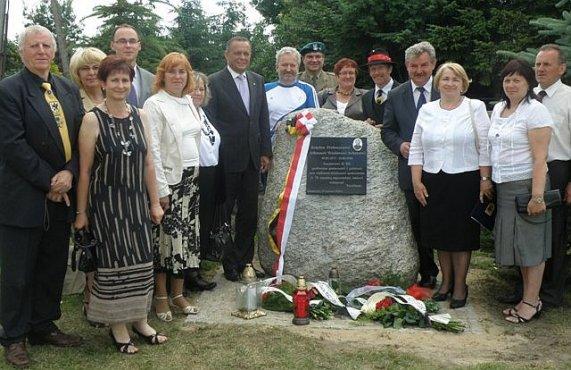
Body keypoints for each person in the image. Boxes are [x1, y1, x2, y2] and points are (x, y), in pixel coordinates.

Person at [0, 25, 83, 367]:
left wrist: (70, 173)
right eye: (34, 46)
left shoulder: (66, 87)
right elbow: (12, 145)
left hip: (62, 194)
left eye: (47, 45)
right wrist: (50, 181)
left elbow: (81, 138)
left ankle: (43, 325)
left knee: (51, 266)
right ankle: (14, 336)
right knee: (17, 272)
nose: (41, 51)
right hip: (24, 195)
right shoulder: (8, 90)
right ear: (22, 52)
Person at [74, 55, 167, 353]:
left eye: (125, 79)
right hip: (107, 205)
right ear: (102, 83)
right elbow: (85, 171)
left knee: (141, 261)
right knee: (115, 264)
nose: (120, 85)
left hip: (137, 203)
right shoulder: (92, 119)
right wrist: (81, 213)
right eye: (114, 79)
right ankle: (118, 327)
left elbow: (148, 163)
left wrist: (155, 203)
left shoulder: (141, 115)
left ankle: (140, 320)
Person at [409, 62, 492, 308]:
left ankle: (459, 286)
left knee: (461, 236)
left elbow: (485, 146)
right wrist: (416, 180)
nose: (450, 83)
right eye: (445, 79)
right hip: (434, 179)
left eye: (455, 79)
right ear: (438, 83)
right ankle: (445, 283)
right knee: (440, 235)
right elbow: (416, 146)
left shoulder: (474, 107)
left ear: (463, 83)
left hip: (465, 179)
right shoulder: (428, 109)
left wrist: (485, 179)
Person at [490, 59, 553, 323]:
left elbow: (540, 159)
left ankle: (531, 302)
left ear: (528, 82)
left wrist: (537, 196)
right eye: (507, 79)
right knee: (519, 247)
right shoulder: (498, 109)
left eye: (517, 79)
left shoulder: (535, 111)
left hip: (528, 186)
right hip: (504, 187)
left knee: (532, 247)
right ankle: (528, 298)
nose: (511, 84)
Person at [205, 36, 272, 282]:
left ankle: (246, 262)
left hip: (253, 161)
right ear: (227, 55)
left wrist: (266, 151)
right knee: (223, 216)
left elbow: (262, 119)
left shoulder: (257, 80)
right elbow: (209, 124)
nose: (242, 57)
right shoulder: (214, 82)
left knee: (248, 214)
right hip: (225, 161)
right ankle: (229, 262)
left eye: (246, 53)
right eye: (237, 53)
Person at [381, 41, 440, 288]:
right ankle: (427, 271)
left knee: (442, 222)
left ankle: (451, 275)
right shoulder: (396, 95)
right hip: (409, 170)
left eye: (424, 65)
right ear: (406, 66)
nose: (419, 71)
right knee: (417, 224)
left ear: (433, 64)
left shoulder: (446, 88)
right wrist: (400, 146)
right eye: (414, 66)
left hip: (443, 170)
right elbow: (388, 131)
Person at [68, 46, 107, 327]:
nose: (91, 73)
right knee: (90, 243)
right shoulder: (71, 101)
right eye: (85, 68)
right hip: (86, 180)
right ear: (77, 74)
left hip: (114, 182)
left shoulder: (114, 95)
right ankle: (89, 298)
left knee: (109, 242)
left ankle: (110, 298)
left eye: (96, 67)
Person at [534, 44, 571, 309]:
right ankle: (527, 288)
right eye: (537, 64)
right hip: (532, 171)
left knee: (555, 233)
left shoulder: (569, 98)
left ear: (562, 68)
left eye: (547, 64)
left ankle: (550, 293)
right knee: (531, 231)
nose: (540, 69)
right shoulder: (529, 96)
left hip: (559, 170)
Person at [190, 72, 224, 289]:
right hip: (194, 176)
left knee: (204, 223)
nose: (198, 92)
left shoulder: (203, 113)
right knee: (194, 225)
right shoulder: (185, 114)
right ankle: (190, 274)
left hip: (210, 174)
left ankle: (198, 267)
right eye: (194, 88)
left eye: (201, 88)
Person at [265, 46, 319, 145]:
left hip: (300, 150)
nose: (288, 69)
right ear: (277, 67)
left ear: (298, 67)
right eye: (284, 65)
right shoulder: (264, 89)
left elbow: (315, 121)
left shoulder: (308, 90)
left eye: (292, 65)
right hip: (270, 148)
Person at [110, 24, 154, 108]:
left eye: (132, 41)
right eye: (122, 41)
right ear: (112, 45)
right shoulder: (104, 77)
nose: (128, 46)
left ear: (139, 46)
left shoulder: (152, 80)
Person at [362, 49, 400, 127]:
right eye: (373, 69)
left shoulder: (403, 92)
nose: (376, 73)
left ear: (390, 69)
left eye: (380, 68)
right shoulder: (366, 98)